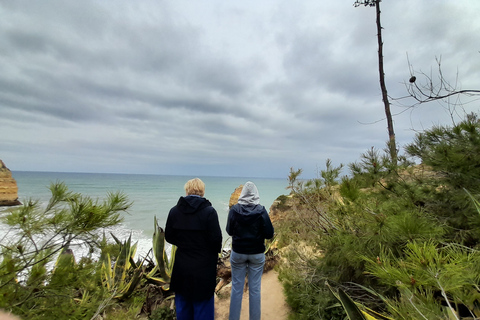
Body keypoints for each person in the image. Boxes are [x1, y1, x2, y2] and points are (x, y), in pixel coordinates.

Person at [165, 178, 222, 320]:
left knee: (183, 306)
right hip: (204, 267)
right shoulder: (209, 212)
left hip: (182, 266)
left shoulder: (174, 211)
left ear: (187, 190)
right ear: (202, 191)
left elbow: (169, 237)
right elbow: (216, 241)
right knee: (202, 307)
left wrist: (184, 244)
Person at [226, 181, 275, 320]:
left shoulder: (234, 210)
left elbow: (229, 231)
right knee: (255, 290)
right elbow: (269, 234)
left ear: (242, 195)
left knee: (236, 289)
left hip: (238, 253)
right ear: (256, 194)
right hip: (257, 254)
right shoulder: (261, 210)